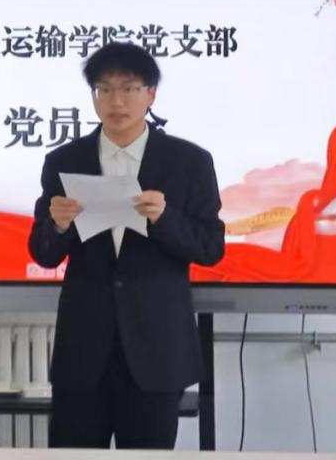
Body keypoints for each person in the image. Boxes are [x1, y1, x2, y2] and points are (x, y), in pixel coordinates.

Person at [28, 42, 225, 450]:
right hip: (83, 352)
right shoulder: (65, 160)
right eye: (104, 89)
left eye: (129, 88)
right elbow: (43, 252)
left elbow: (210, 247)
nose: (116, 101)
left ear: (151, 94)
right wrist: (59, 225)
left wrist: (165, 219)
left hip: (156, 350)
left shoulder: (189, 162)